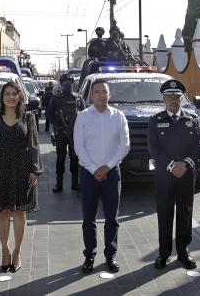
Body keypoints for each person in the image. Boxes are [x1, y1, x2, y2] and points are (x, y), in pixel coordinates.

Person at [0, 82, 42, 273]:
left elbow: (34, 145)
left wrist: (35, 169)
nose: (11, 97)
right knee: (3, 212)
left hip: (23, 169)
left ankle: (17, 252)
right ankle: (5, 251)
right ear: (2, 97)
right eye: (7, 94)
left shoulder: (28, 117)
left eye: (15, 93)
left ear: (20, 96)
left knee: (19, 213)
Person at [73, 79, 130, 274]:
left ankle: (110, 255)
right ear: (91, 95)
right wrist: (94, 168)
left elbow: (125, 146)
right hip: (88, 174)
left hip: (112, 173)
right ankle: (90, 255)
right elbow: (78, 146)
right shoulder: (82, 116)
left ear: (109, 95)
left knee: (112, 218)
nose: (100, 95)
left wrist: (107, 167)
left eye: (104, 92)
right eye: (96, 92)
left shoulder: (119, 116)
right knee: (88, 218)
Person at [148, 79, 200, 270]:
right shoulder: (156, 121)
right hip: (165, 176)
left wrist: (186, 164)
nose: (173, 100)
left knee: (185, 213)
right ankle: (163, 254)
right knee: (164, 214)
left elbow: (198, 146)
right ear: (163, 99)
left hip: (187, 175)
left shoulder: (192, 119)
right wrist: (173, 165)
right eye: (169, 96)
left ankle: (183, 252)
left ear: (182, 99)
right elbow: (154, 149)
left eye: (177, 97)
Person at [49, 74, 80, 193]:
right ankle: (59, 183)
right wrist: (57, 126)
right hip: (61, 133)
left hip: (74, 133)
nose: (67, 84)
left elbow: (83, 114)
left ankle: (75, 182)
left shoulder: (78, 98)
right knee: (60, 158)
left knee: (74, 158)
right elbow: (50, 114)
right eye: (64, 82)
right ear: (61, 83)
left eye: (69, 82)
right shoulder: (56, 98)